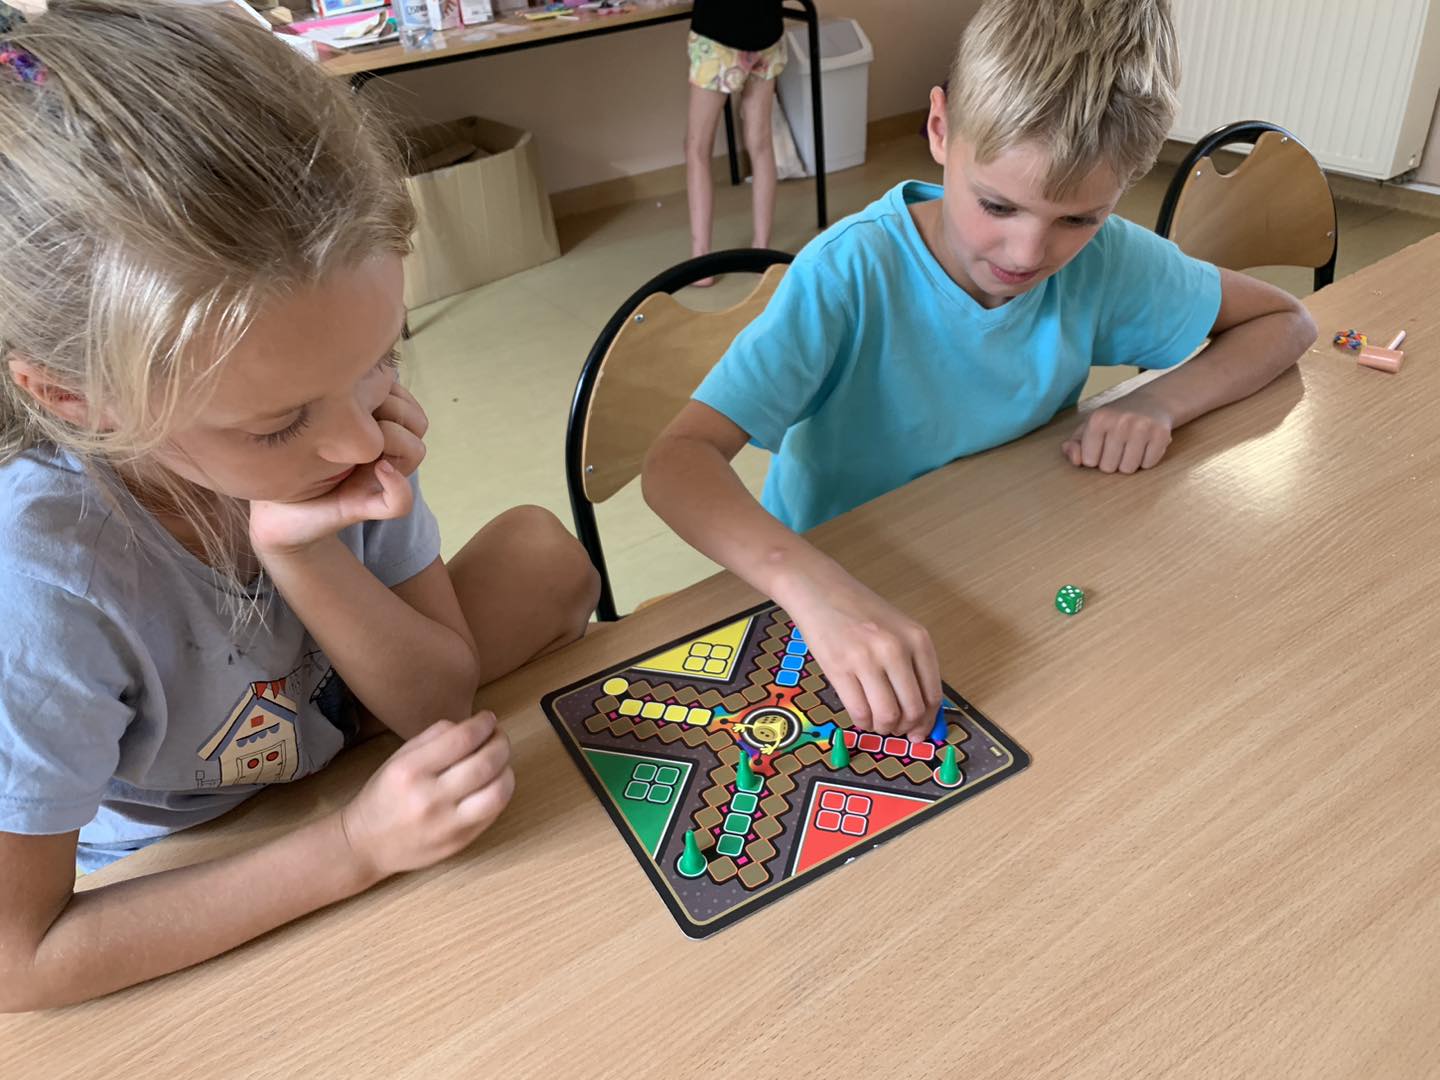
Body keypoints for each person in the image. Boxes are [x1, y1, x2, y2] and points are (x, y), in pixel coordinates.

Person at [0, 0, 597, 1011]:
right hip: (181, 851)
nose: (364, 443)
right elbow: (17, 959)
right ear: (75, 397)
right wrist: (352, 848)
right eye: (278, 425)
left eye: (381, 356)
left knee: (545, 554)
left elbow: (438, 704)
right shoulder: (40, 573)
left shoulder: (331, 409)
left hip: (317, 734)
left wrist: (303, 552)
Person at [644, 0, 1315, 740]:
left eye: (1078, 219)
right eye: (996, 205)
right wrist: (812, 586)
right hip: (835, 588)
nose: (1027, 254)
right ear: (940, 128)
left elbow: (1286, 321)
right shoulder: (848, 272)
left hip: (1004, 565)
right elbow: (677, 461)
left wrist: (1161, 402)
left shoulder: (1107, 259)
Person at [685, 0, 787, 285]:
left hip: (718, 36)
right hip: (767, 34)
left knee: (697, 147)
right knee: (761, 144)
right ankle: (762, 251)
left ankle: (701, 262)